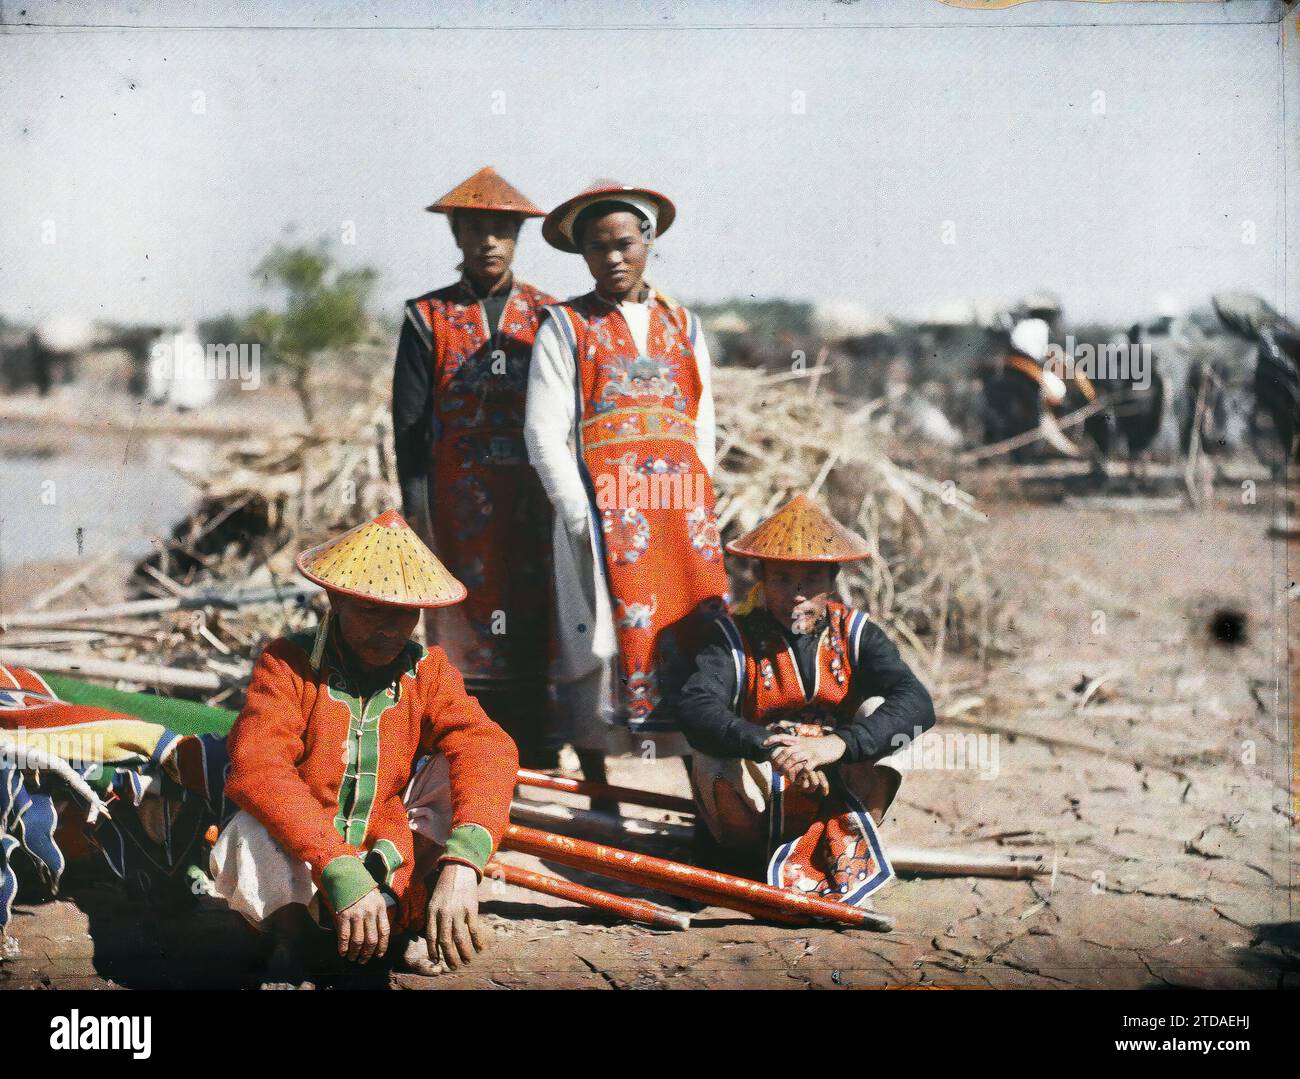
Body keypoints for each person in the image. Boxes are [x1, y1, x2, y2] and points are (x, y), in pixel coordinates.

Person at [210, 510, 519, 978]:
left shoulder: (427, 670)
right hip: (306, 841)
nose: (391, 629)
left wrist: (465, 861)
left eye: (404, 614)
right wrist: (335, 862)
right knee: (251, 832)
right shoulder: (287, 663)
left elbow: (487, 745)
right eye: (372, 610)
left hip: (385, 834)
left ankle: (403, 923)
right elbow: (259, 768)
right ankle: (293, 938)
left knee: (461, 771)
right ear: (335, 599)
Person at [524, 180, 728, 793]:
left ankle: (706, 794)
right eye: (596, 248)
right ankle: (601, 797)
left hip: (678, 520)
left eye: (623, 244)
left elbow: (703, 423)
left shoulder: (685, 325)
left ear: (649, 241)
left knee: (691, 637)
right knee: (594, 648)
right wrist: (581, 516)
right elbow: (542, 432)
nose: (612, 258)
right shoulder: (564, 326)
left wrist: (695, 501)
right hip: (600, 515)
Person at [673, 494, 935, 907]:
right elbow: (695, 708)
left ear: (831, 582)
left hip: (837, 779)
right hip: (762, 777)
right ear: (761, 578)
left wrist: (837, 746)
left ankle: (844, 838)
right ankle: (750, 858)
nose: (796, 594)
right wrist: (772, 747)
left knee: (886, 721)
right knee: (706, 749)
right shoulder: (730, 637)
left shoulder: (858, 632)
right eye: (781, 579)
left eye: (810, 580)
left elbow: (918, 703)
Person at [392, 167, 559, 769]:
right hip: (456, 502)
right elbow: (409, 428)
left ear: (518, 236)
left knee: (533, 615)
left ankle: (535, 751)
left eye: (502, 229)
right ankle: (465, 752)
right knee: (459, 621)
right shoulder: (426, 317)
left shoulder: (550, 315)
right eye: (476, 229)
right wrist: (418, 517)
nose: (489, 241)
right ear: (457, 236)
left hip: (533, 502)